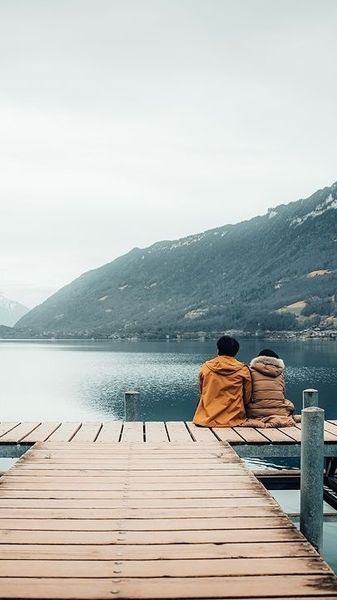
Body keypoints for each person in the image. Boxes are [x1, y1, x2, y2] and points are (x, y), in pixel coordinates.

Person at [193, 335, 252, 427]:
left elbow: (202, 392)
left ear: (218, 349)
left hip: (206, 419)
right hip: (234, 419)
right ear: (236, 352)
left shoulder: (206, 367)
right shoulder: (243, 370)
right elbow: (247, 397)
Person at [245, 348, 298, 427]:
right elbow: (282, 393)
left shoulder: (250, 371)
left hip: (255, 412)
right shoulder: (280, 374)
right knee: (288, 404)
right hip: (280, 412)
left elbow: (247, 394)